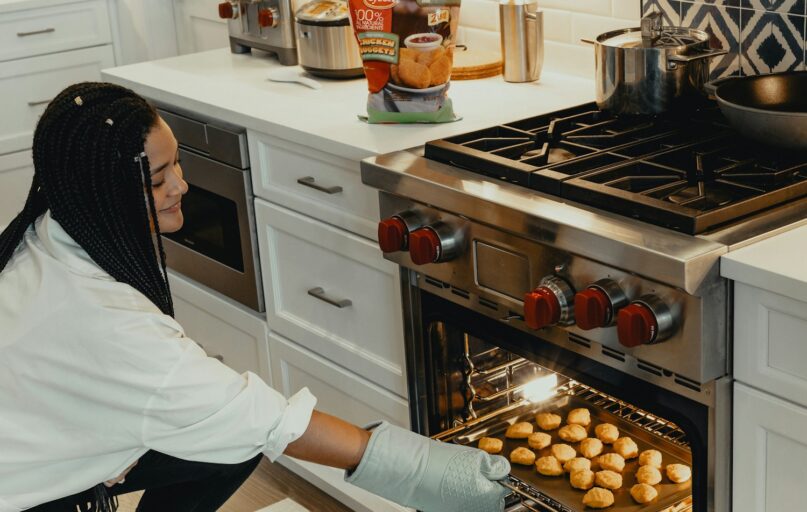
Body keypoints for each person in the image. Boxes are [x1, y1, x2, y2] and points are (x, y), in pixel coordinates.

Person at [0, 82, 510, 512]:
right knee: (239, 429)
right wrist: (423, 469)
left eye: (176, 164)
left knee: (226, 439)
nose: (181, 185)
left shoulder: (49, 234)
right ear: (100, 193)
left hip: (32, 439)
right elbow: (266, 421)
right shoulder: (107, 323)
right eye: (157, 180)